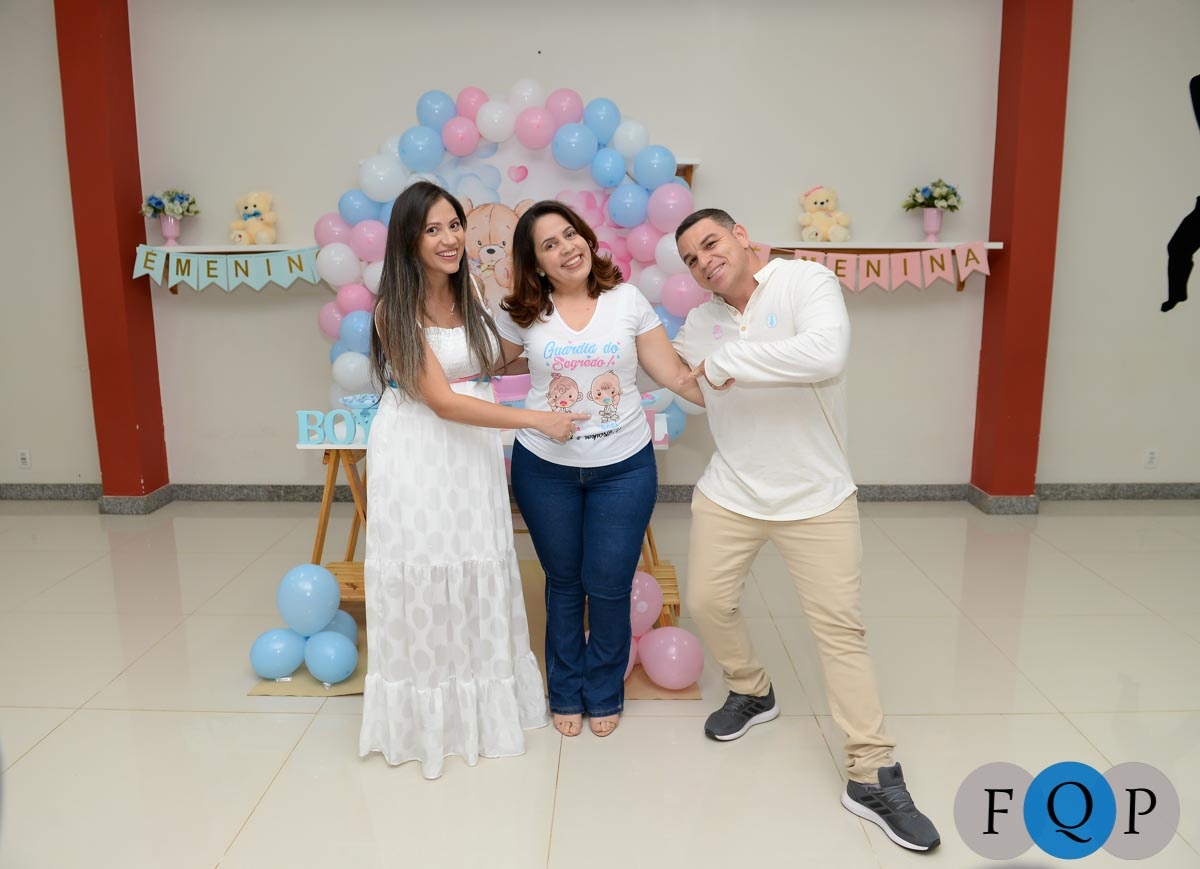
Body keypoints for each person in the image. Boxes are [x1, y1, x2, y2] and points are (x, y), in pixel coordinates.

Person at [671, 208, 940, 852]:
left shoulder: (804, 281)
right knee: (706, 602)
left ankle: (872, 773)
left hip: (817, 494)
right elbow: (689, 388)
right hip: (732, 490)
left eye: (711, 243)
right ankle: (751, 690)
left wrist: (729, 359)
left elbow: (826, 354)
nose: (704, 260)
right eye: (690, 258)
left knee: (839, 631)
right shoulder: (699, 323)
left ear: (741, 237)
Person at [358, 182, 588, 780]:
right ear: (408, 240)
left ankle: (482, 709)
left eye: (454, 225)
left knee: (477, 564)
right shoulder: (392, 309)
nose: (450, 239)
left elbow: (492, 361)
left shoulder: (473, 295)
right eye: (432, 229)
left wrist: (574, 341)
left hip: (470, 457)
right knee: (428, 569)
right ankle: (429, 720)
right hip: (419, 453)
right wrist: (538, 419)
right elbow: (441, 400)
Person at [494, 200, 703, 739]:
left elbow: (673, 374)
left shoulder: (626, 300)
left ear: (586, 237)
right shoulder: (525, 315)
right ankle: (565, 690)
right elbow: (478, 365)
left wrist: (731, 397)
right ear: (536, 263)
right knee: (563, 584)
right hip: (545, 469)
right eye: (550, 244)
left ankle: (604, 689)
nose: (567, 248)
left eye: (571, 234)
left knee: (609, 585)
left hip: (623, 469)